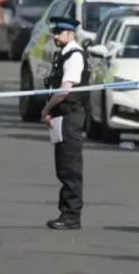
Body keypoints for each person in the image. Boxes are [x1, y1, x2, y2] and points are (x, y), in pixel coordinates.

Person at [40, 16, 90, 230]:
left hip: (70, 114)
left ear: (71, 34)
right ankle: (66, 213)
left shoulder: (74, 56)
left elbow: (65, 89)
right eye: (54, 32)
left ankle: (71, 216)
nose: (55, 36)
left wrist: (46, 109)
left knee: (70, 168)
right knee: (62, 168)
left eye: (59, 32)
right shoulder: (62, 55)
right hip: (62, 115)